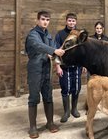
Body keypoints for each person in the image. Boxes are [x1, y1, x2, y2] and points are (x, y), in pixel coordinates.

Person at [25, 10, 65, 138]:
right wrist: (53, 50)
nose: (45, 22)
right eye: (43, 19)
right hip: (35, 70)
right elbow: (38, 46)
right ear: (37, 20)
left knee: (48, 96)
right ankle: (32, 127)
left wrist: (57, 61)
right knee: (34, 97)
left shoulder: (48, 35)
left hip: (46, 69)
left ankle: (50, 123)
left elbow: (54, 53)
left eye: (47, 19)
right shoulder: (33, 35)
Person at [55, 13, 83, 123]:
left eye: (73, 21)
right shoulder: (60, 34)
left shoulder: (79, 34)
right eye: (69, 21)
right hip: (64, 66)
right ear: (66, 21)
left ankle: (74, 109)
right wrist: (57, 66)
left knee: (76, 88)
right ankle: (66, 111)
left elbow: (83, 51)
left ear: (76, 22)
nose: (71, 23)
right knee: (65, 89)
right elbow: (56, 51)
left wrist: (84, 64)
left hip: (76, 67)